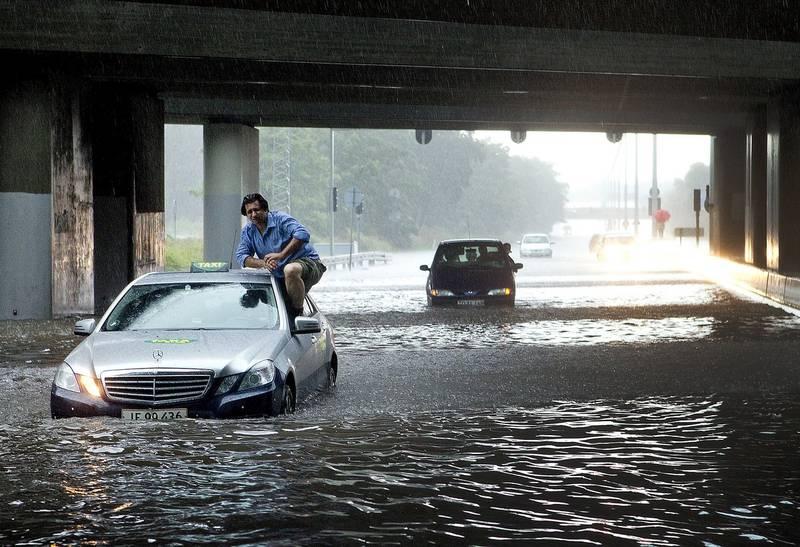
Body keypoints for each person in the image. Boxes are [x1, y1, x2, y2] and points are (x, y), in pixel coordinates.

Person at [235, 193, 326, 318]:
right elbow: (241, 256)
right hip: (279, 276)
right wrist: (263, 263)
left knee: (290, 269)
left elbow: (303, 234)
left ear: (265, 209)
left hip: (308, 263)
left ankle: (297, 314)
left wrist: (281, 255)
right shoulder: (248, 231)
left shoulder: (280, 219)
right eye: (249, 212)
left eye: (256, 210)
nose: (253, 214)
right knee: (250, 288)